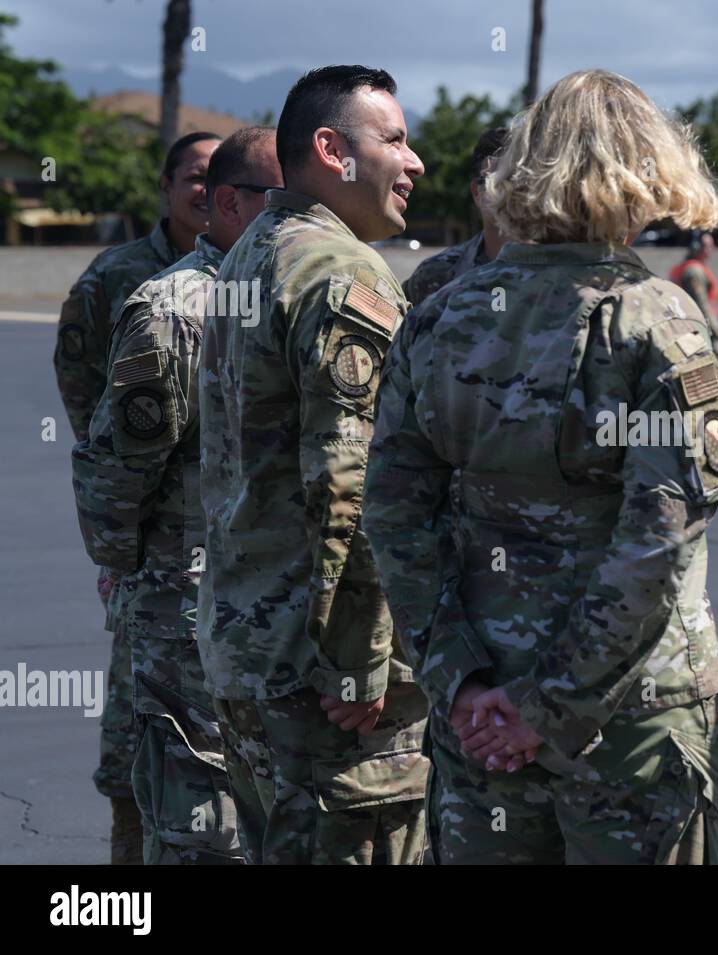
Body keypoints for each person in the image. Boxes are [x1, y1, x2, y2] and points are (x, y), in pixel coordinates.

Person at [363, 68, 718, 864]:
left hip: (480, 711)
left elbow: (394, 512)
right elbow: (656, 540)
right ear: (648, 170)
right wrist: (552, 705)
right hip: (628, 714)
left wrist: (458, 679)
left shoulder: (440, 313)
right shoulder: (658, 319)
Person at [198, 66, 428, 865]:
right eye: (394, 139)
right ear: (332, 150)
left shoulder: (251, 254)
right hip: (323, 680)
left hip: (251, 653)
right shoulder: (340, 274)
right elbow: (353, 483)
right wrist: (360, 661)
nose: (415, 161)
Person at [70, 128, 282, 864]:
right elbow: (111, 470)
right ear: (231, 203)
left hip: (280, 619)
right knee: (200, 825)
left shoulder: (301, 294)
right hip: (185, 609)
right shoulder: (174, 309)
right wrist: (131, 568)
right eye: (283, 201)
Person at [52, 129, 222, 864]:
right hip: (154, 542)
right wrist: (119, 536)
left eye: (217, 175)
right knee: (140, 741)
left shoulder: (254, 274)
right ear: (166, 184)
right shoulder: (118, 278)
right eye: (192, 175)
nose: (203, 189)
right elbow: (88, 399)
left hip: (221, 552)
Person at [402, 125, 508, 305]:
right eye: (500, 181)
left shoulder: (560, 272)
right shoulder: (434, 276)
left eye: (524, 178)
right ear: (477, 193)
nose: (514, 190)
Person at [669, 231, 718, 358]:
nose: (712, 249)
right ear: (696, 246)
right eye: (708, 246)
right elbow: (702, 304)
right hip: (697, 330)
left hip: (683, 328)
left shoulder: (683, 267)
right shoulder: (694, 272)